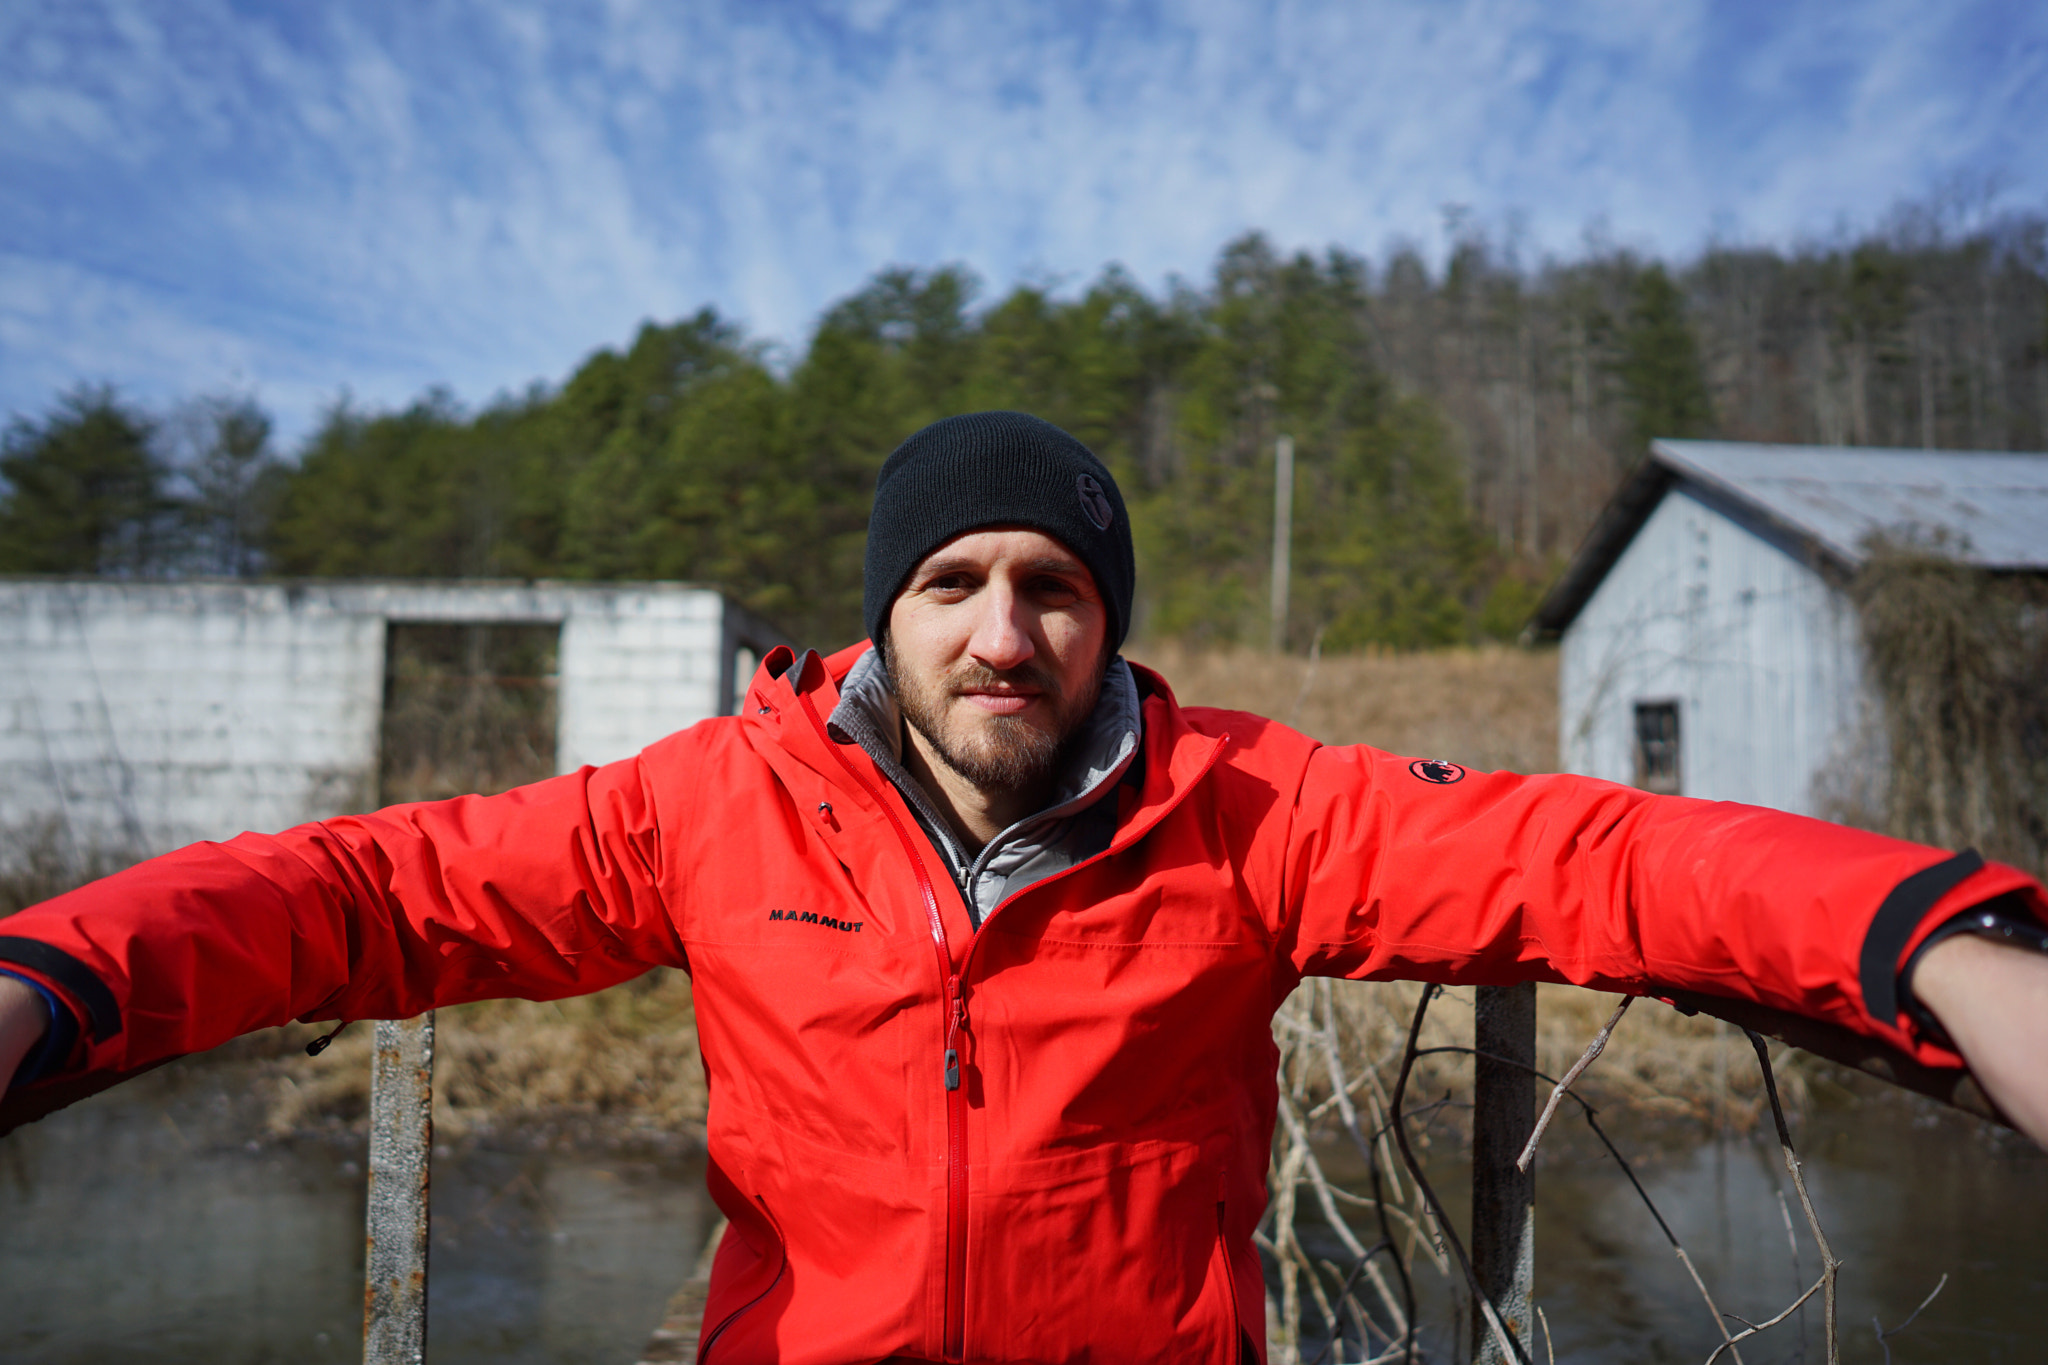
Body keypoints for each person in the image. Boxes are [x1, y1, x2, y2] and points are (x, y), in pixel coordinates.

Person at [1, 410, 2044, 1364]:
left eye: (1052, 586)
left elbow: (1588, 850)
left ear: (1105, 619)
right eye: (951, 582)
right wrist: (55, 976)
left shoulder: (1252, 807)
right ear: (881, 616)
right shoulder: (715, 804)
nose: (1004, 632)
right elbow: (368, 891)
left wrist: (1936, 933)